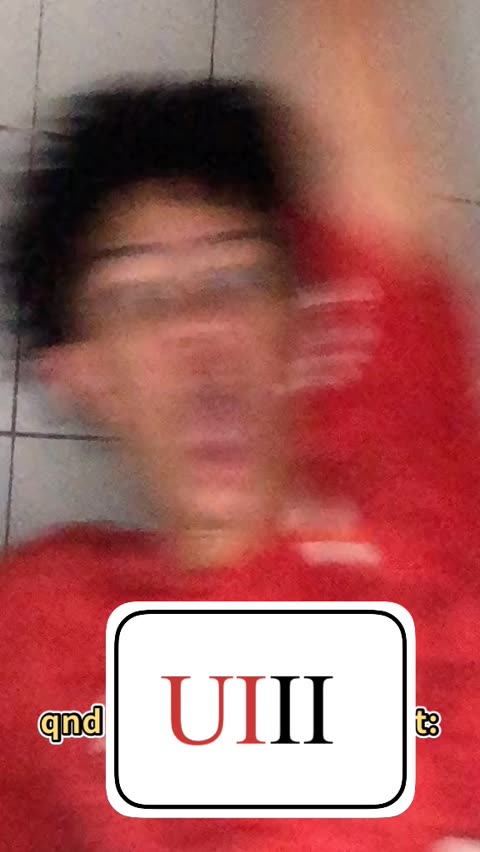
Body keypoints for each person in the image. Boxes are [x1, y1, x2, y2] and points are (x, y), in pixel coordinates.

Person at [0, 75, 478, 852]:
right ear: (80, 372)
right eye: (139, 297)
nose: (197, 326)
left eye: (236, 277)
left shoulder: (426, 518)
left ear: (306, 327)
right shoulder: (39, 636)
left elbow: (357, 71)